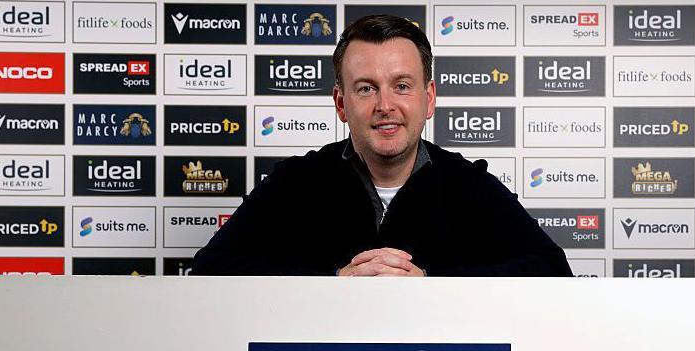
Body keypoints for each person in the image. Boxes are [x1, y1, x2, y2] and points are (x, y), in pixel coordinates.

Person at [192, 15, 572, 277]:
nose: (385, 106)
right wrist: (332, 280)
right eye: (366, 88)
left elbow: (551, 269)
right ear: (342, 104)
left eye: (402, 86)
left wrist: (430, 281)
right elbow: (210, 268)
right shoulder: (296, 180)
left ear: (430, 98)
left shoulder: (468, 183)